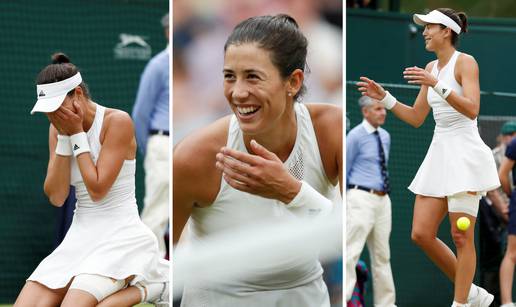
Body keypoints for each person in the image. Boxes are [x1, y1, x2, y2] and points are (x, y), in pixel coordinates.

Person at [173, 14, 342, 306]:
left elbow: (351, 239)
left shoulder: (332, 131)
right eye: (229, 76)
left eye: (252, 76)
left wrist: (290, 191)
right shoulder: (194, 156)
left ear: (293, 81)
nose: (237, 93)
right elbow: (159, 260)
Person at [357, 8, 500, 307]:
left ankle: (460, 302)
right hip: (439, 153)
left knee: (461, 237)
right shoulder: (430, 67)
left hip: (465, 156)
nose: (424, 31)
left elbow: (472, 108)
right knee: (421, 233)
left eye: (429, 27)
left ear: (446, 31)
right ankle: (472, 293)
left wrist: (437, 85)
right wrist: (385, 98)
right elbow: (417, 117)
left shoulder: (466, 63)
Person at [14, 53, 169, 307]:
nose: (51, 115)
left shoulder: (117, 122)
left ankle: (153, 287)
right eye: (46, 110)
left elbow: (97, 189)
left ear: (76, 94)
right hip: (80, 235)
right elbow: (57, 196)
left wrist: (75, 133)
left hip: (122, 237)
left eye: (55, 107)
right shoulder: (56, 129)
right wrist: (65, 137)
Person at [345, 96, 396, 306]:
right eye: (377, 109)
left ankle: (386, 303)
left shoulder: (385, 136)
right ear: (365, 112)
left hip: (383, 200)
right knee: (351, 250)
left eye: (383, 109)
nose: (383, 113)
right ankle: (344, 299)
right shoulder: (354, 136)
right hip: (359, 198)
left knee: (383, 256)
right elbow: (345, 167)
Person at [132, 13, 170, 257]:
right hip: (162, 144)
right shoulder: (158, 65)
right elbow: (140, 114)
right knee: (156, 211)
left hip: (178, 143)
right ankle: (149, 272)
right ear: (167, 31)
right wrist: (152, 149)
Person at [478, 121, 516, 306]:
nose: (511, 138)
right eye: (509, 135)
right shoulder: (493, 156)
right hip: (494, 216)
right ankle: (500, 301)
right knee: (499, 256)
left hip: (510, 210)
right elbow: (494, 186)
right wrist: (504, 209)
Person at [498, 122, 516, 307]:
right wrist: (512, 196)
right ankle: (507, 303)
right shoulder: (514, 144)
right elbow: (502, 175)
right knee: (512, 253)